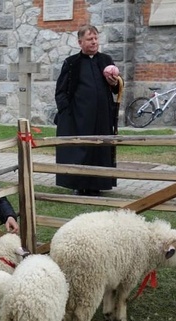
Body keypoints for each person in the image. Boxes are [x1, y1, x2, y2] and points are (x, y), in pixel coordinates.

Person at [54, 25, 119, 196]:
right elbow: (61, 91)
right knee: (80, 150)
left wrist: (114, 83)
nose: (94, 42)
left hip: (102, 116)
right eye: (90, 39)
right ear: (80, 42)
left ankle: (97, 184)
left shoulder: (106, 60)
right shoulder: (71, 63)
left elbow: (116, 87)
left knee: (100, 150)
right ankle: (78, 183)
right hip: (78, 117)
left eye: (96, 38)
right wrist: (66, 114)